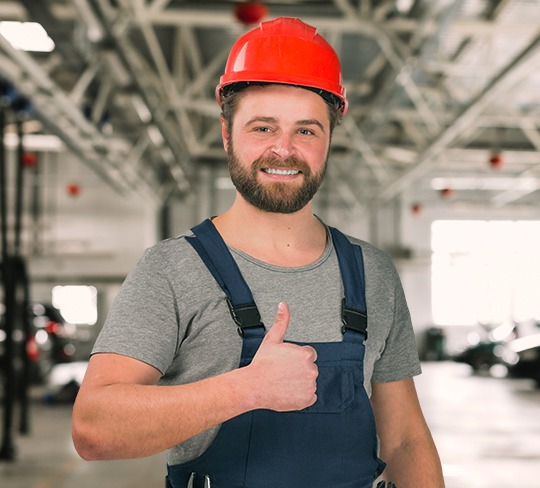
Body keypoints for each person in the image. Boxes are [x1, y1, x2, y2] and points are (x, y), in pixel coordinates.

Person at [72, 17, 444, 488]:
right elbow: (93, 429)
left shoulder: (373, 273)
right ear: (227, 134)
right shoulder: (172, 269)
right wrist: (244, 389)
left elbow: (405, 439)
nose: (283, 149)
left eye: (306, 131)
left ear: (329, 139)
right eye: (263, 127)